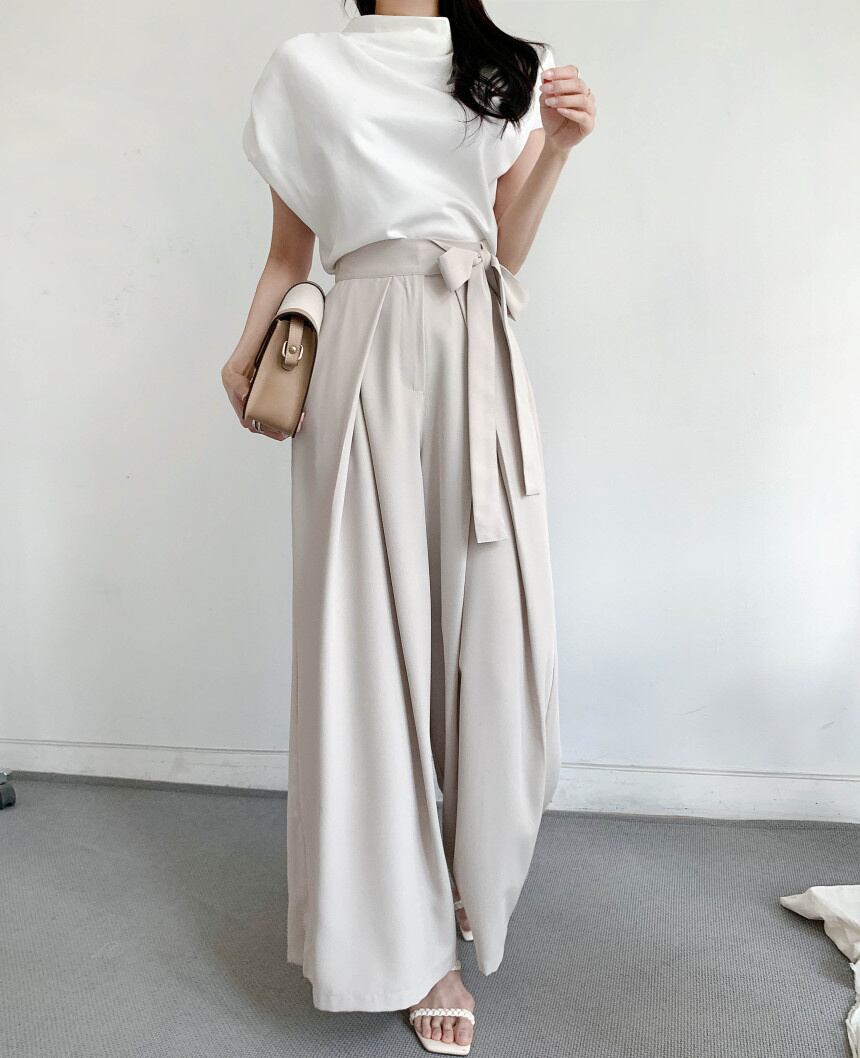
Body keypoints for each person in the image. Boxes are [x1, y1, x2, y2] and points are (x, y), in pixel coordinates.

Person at [221, 2, 595, 1053]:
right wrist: (245, 351)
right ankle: (413, 944)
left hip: (475, 346)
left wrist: (558, 147)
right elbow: (288, 250)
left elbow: (502, 246)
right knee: (368, 646)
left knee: (498, 636)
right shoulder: (309, 68)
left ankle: (466, 867)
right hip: (358, 352)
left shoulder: (510, 65)